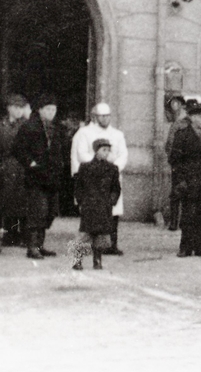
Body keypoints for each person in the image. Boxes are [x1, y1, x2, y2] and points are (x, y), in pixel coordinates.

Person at [11, 94, 66, 259]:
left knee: (49, 212)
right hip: (35, 177)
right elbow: (18, 149)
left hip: (52, 177)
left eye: (54, 109)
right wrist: (30, 163)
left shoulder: (56, 128)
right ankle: (32, 247)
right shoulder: (29, 127)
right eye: (48, 109)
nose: (51, 112)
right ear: (40, 110)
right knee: (37, 212)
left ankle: (40, 245)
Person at [70, 102, 129, 255]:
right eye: (102, 116)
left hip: (110, 179)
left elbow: (123, 154)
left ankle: (111, 245)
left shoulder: (117, 134)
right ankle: (87, 249)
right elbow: (81, 154)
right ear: (95, 116)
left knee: (112, 212)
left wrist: (112, 169)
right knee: (91, 217)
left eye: (108, 116)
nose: (105, 119)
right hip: (92, 181)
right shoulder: (84, 133)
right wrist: (98, 166)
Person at [169, 101, 201, 257]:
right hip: (188, 181)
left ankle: (200, 246)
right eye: (200, 116)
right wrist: (181, 180)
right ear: (192, 118)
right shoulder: (182, 135)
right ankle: (185, 246)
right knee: (188, 215)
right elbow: (174, 160)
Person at [70, 138, 120, 271]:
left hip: (104, 206)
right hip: (89, 206)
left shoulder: (112, 169)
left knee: (101, 236)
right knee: (84, 235)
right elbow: (78, 187)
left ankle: (97, 260)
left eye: (108, 150)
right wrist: (81, 202)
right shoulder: (85, 168)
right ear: (96, 151)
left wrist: (111, 201)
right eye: (104, 150)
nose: (106, 153)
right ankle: (77, 261)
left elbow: (116, 188)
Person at [0, 93, 31, 251]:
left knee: (24, 201)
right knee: (7, 200)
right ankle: (10, 235)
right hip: (6, 167)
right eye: (15, 107)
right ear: (9, 108)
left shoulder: (28, 125)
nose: (18, 111)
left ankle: (26, 235)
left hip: (24, 167)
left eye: (21, 107)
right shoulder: (2, 125)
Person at [164, 95, 190, 230]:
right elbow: (169, 144)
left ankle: (179, 222)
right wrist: (172, 159)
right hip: (177, 163)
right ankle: (174, 222)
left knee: (181, 192)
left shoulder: (185, 123)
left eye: (178, 104)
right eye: (173, 104)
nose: (176, 107)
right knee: (175, 193)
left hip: (184, 163)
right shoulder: (176, 123)